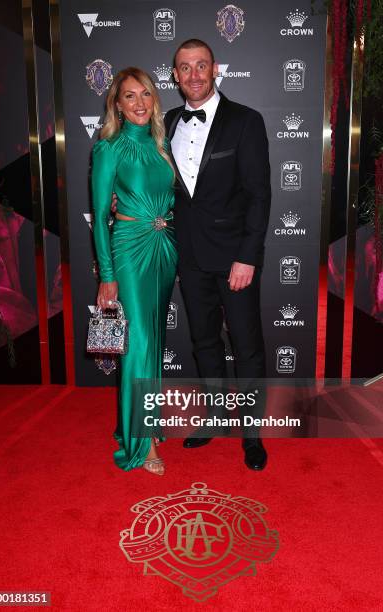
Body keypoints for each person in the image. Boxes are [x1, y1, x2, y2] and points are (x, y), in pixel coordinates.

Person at [164, 39, 271, 470]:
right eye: (185, 68)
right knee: (204, 341)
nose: (193, 75)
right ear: (174, 75)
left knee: (246, 346)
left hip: (233, 259)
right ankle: (212, 415)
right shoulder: (167, 121)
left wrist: (248, 256)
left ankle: (252, 432)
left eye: (201, 66)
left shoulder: (246, 121)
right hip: (188, 256)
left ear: (215, 70)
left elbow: (259, 195)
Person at [91, 67, 177, 475]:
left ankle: (145, 421)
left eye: (145, 94)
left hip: (163, 249)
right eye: (129, 96)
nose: (140, 103)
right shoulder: (108, 149)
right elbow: (100, 215)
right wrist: (107, 275)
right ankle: (141, 446)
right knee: (139, 344)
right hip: (128, 251)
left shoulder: (162, 144)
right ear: (117, 105)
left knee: (153, 341)